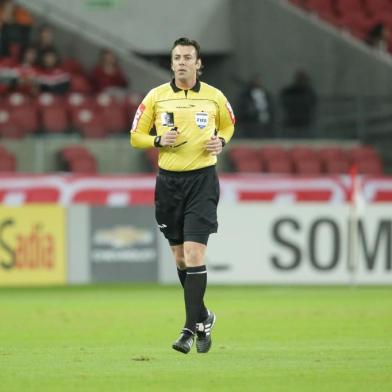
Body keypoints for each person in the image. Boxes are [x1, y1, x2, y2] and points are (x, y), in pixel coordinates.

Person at [130, 37, 235, 354]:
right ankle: (204, 316)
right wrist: (159, 139)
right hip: (169, 184)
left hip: (202, 181)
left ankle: (189, 329)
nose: (182, 62)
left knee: (194, 254)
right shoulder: (156, 97)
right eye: (177, 57)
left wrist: (221, 141)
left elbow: (229, 125)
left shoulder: (214, 97)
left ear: (198, 63)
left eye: (188, 57)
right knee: (179, 257)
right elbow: (135, 136)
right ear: (171, 62)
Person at [280, 70, 317, 137]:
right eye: (300, 79)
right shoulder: (289, 91)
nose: (301, 81)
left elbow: (313, 103)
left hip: (305, 124)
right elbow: (283, 101)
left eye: (303, 79)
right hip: (291, 123)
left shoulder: (309, 92)